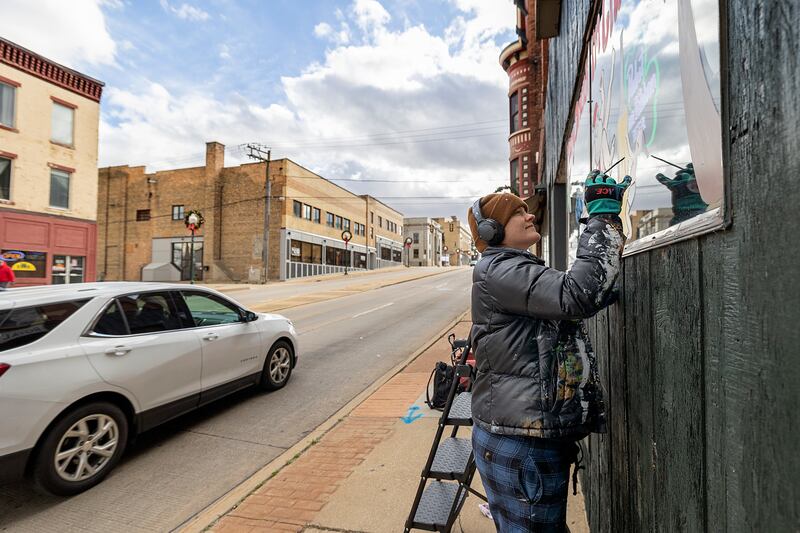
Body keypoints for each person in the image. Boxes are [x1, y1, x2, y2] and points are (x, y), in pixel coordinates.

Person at [467, 170, 629, 532]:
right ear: (493, 230)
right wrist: (601, 218)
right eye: (517, 212)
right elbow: (575, 294)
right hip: (520, 442)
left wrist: (601, 288)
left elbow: (566, 299)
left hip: (518, 435)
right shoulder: (500, 269)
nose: (530, 215)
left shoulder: (509, 269)